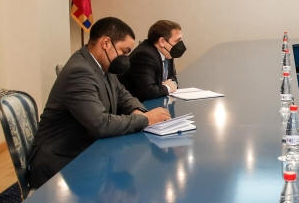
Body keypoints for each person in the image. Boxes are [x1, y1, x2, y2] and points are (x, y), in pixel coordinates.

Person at [28, 17, 170, 189]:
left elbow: (123, 95)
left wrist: (138, 110)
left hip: (84, 149)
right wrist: (146, 119)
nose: (125, 58)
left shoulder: (102, 65)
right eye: (124, 51)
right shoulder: (80, 71)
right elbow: (100, 124)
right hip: (61, 162)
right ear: (106, 43)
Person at [120, 20, 185, 101]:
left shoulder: (168, 53)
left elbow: (173, 80)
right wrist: (167, 87)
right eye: (177, 41)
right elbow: (148, 91)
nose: (180, 44)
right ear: (162, 42)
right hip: (138, 105)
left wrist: (167, 86)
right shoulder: (144, 55)